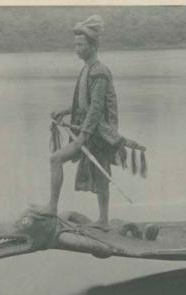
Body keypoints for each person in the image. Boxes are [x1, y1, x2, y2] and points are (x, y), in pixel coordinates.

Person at [35, 15, 123, 231]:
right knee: (100, 173)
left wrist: (83, 135)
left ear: (93, 46)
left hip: (99, 132)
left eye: (80, 45)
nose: (76, 48)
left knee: (58, 160)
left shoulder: (99, 71)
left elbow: (95, 108)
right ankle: (102, 219)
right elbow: (84, 103)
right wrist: (65, 111)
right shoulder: (87, 69)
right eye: (75, 45)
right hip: (90, 130)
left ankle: (54, 208)